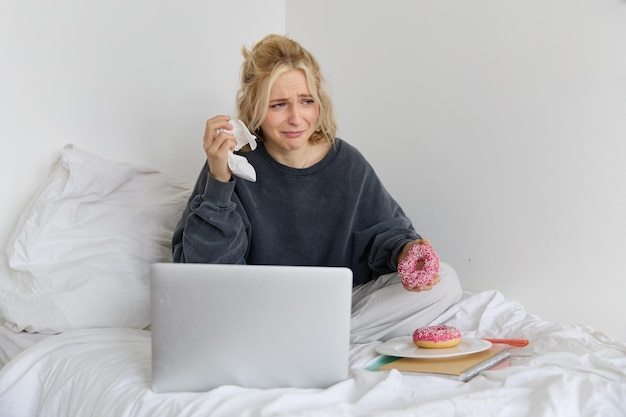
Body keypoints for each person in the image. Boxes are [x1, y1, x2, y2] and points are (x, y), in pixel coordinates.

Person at [172, 34, 462, 343]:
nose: (296, 118)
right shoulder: (231, 165)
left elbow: (384, 233)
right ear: (254, 107)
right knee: (216, 310)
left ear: (319, 102)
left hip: (337, 307)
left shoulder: (348, 162)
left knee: (446, 280)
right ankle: (315, 340)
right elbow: (207, 275)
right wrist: (219, 181)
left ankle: (305, 340)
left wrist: (406, 251)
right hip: (262, 309)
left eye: (306, 101)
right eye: (279, 105)